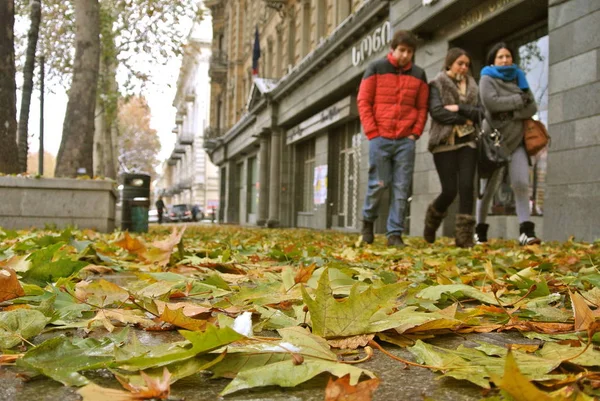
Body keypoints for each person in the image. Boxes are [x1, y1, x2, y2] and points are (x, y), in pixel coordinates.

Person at [357, 30, 429, 247]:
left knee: (401, 187)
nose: (405, 55)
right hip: (380, 138)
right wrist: (373, 132)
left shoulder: (419, 74)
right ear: (393, 49)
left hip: (405, 141)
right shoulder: (375, 68)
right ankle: (368, 223)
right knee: (378, 184)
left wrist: (414, 133)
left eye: (409, 51)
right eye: (402, 50)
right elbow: (364, 101)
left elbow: (422, 107)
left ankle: (394, 234)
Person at [475, 42, 541, 246]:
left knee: (521, 183)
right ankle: (480, 230)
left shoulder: (518, 77)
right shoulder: (486, 77)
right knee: (487, 190)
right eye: (500, 57)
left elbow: (531, 107)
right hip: (494, 141)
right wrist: (517, 102)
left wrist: (509, 111)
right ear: (493, 61)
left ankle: (526, 232)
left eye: (508, 56)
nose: (505, 60)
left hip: (517, 139)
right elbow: (490, 103)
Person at [424, 48, 482, 248]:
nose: (464, 67)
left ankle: (464, 237)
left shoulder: (473, 85)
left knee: (467, 187)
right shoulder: (436, 84)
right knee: (449, 191)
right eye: (460, 63)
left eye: (467, 64)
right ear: (449, 63)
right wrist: (464, 118)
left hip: (468, 143)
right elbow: (437, 112)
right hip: (444, 144)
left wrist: (459, 108)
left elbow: (480, 113)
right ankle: (431, 221)